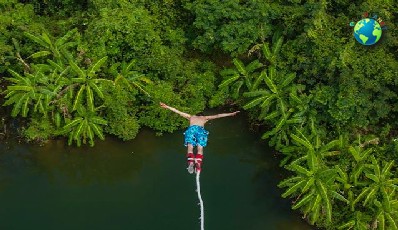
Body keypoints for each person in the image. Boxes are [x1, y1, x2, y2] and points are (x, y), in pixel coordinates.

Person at [160, 102, 240, 174]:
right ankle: (198, 162)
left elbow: (177, 111)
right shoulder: (204, 118)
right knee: (200, 149)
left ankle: (191, 162)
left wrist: (166, 106)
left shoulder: (191, 117)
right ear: (202, 116)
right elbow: (218, 116)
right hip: (200, 131)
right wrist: (231, 114)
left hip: (191, 130)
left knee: (190, 147)